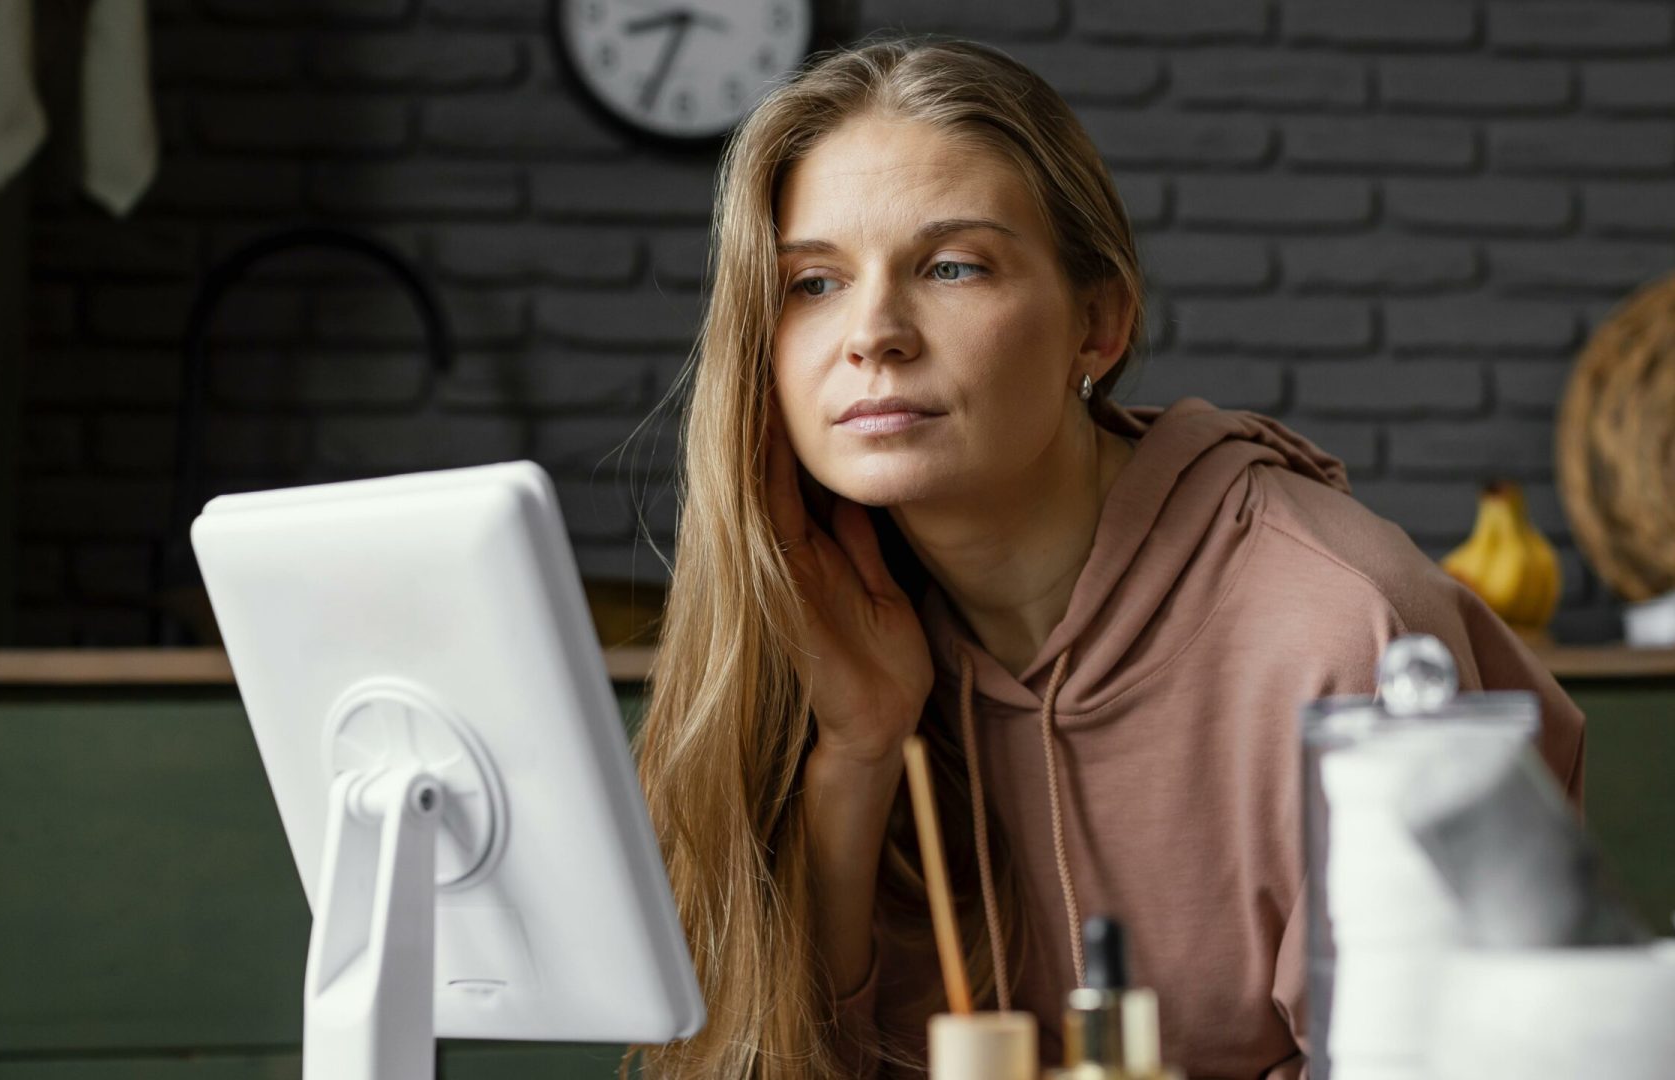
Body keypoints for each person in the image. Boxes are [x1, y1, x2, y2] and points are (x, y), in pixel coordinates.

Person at [631, 35, 1585, 1080]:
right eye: (813, 283)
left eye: (952, 267)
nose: (874, 334)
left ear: (1099, 323)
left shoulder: (1343, 624)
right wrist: (855, 763)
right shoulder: (810, 630)